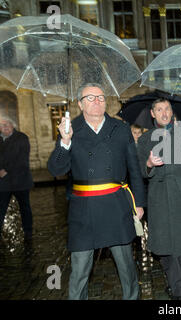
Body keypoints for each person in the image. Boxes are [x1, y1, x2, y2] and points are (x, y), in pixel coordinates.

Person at [47, 83, 145, 300]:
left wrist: (138, 203)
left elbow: (134, 170)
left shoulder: (120, 129)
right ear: (81, 104)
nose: (97, 101)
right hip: (83, 210)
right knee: (80, 270)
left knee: (126, 267)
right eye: (90, 98)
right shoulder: (70, 129)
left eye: (101, 97)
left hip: (117, 206)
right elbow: (56, 169)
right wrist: (65, 141)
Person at [136, 98, 181, 300]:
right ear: (153, 114)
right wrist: (148, 163)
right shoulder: (145, 140)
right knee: (164, 249)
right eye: (159, 109)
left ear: (172, 111)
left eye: (167, 108)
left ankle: (179, 293)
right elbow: (140, 170)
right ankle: (174, 282)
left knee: (179, 248)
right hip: (158, 199)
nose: (164, 112)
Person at [0, 116, 34, 241]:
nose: (5, 127)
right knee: (1, 208)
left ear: (12, 125)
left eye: (7, 124)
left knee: (25, 208)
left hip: (20, 180)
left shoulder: (22, 138)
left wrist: (6, 170)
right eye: (2, 125)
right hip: (3, 182)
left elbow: (22, 159)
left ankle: (28, 231)